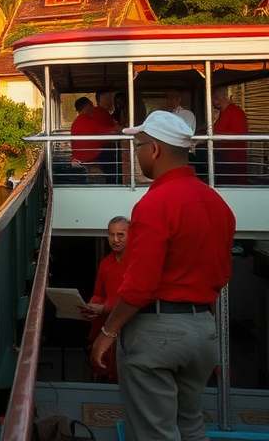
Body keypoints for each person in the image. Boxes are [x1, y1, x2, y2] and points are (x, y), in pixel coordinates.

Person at [91, 111, 235, 441]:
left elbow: (140, 286)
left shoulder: (154, 203)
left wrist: (108, 332)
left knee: (155, 433)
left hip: (158, 334)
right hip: (203, 331)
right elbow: (222, 275)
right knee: (191, 426)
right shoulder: (218, 203)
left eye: (138, 145)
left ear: (154, 150)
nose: (136, 153)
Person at [79, 216, 129, 382]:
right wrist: (91, 307)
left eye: (120, 235)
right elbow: (99, 294)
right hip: (104, 325)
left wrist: (105, 308)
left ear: (131, 235)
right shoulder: (106, 263)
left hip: (128, 329)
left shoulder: (137, 262)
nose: (115, 240)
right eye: (111, 234)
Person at [70, 97, 115, 182]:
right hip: (90, 156)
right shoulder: (90, 121)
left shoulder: (77, 122)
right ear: (87, 106)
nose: (93, 107)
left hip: (79, 156)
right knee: (111, 157)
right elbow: (108, 133)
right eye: (91, 104)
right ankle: (114, 182)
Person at [213, 86, 249, 185]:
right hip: (221, 156)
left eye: (216, 97)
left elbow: (239, 133)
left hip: (233, 157)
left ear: (224, 98)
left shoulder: (236, 112)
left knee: (234, 183)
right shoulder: (222, 113)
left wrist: (217, 136)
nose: (214, 100)